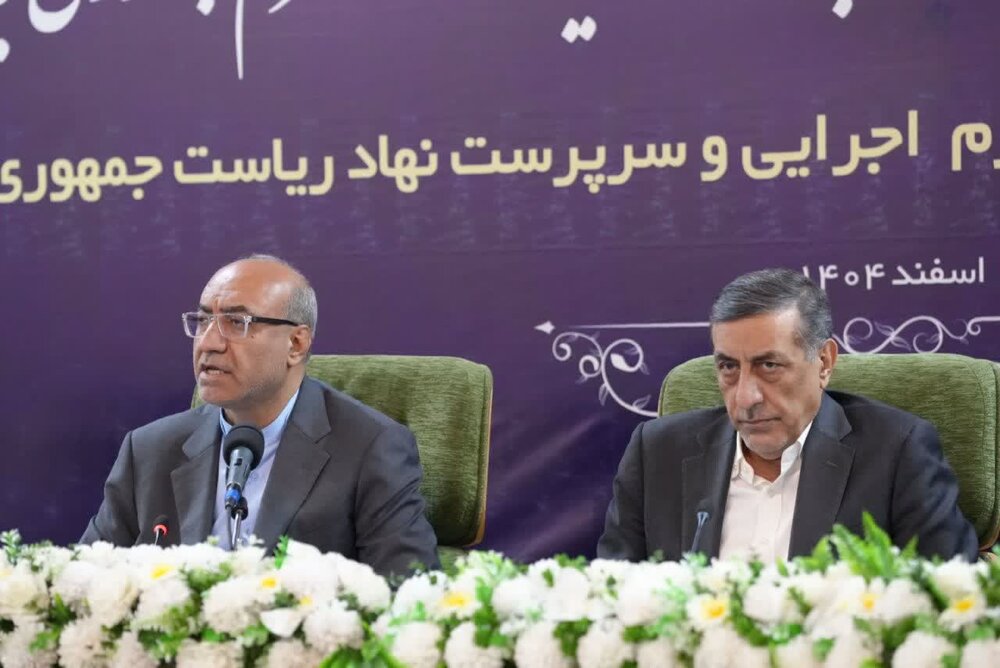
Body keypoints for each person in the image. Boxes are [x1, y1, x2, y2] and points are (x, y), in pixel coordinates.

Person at [82, 254, 440, 576]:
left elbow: (408, 590)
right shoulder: (149, 450)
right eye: (203, 320)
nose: (209, 343)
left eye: (237, 322)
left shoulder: (370, 448)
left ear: (296, 344)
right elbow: (83, 581)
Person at [598, 268, 978, 563]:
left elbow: (950, 599)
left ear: (824, 362)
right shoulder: (656, 453)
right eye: (729, 367)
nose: (745, 397)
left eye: (769, 365)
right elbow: (612, 602)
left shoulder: (897, 452)